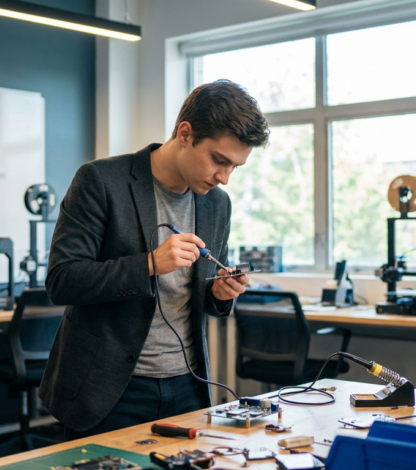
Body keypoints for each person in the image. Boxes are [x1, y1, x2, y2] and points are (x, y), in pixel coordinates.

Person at [38, 79, 270, 439]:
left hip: (186, 385)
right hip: (110, 389)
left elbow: (200, 292)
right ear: (185, 134)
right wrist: (148, 264)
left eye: (235, 167)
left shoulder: (216, 203)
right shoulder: (100, 180)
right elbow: (62, 280)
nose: (224, 178)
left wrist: (221, 295)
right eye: (219, 161)